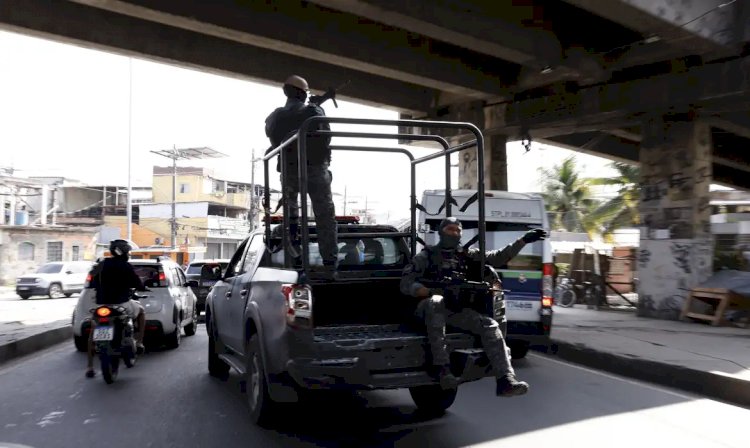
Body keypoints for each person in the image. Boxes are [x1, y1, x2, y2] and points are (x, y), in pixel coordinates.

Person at [400, 217, 547, 397]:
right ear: (441, 232)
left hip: (454, 311)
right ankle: (442, 368)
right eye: (450, 230)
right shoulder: (426, 256)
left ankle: (505, 379)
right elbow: (406, 283)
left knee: (489, 325)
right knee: (435, 303)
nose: (454, 233)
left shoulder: (467, 255)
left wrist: (523, 240)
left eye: (457, 231)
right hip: (425, 309)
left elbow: (498, 257)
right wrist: (423, 290)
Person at [264, 75, 338, 271]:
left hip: (289, 171)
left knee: (292, 216)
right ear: (303, 93)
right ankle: (330, 262)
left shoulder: (276, 116)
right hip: (315, 170)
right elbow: (325, 136)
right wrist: (318, 106)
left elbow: (273, 139)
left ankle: (294, 257)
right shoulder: (313, 111)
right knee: (324, 216)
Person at [85, 239, 148, 378]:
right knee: (141, 311)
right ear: (124, 252)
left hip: (102, 305)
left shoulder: (101, 264)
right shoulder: (125, 266)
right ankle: (139, 342)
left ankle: (90, 366)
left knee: (94, 330)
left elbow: (91, 280)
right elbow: (137, 283)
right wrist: (143, 287)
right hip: (122, 304)